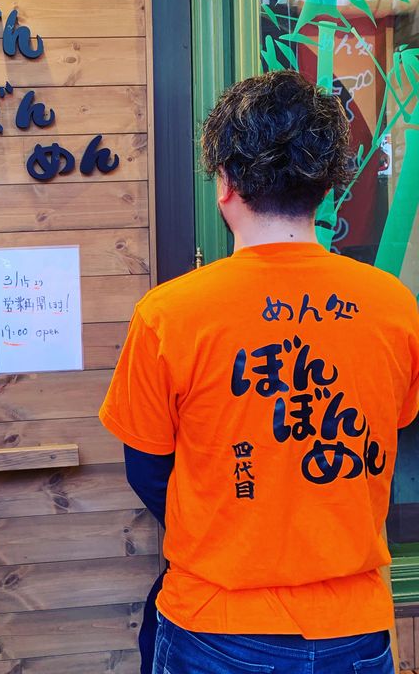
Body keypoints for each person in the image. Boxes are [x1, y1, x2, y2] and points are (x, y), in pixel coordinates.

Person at [100, 70, 419, 674]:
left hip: (215, 624)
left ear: (224, 182)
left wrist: (226, 525)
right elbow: (392, 432)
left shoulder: (170, 314)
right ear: (326, 186)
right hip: (354, 630)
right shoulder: (394, 307)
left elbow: (146, 469)